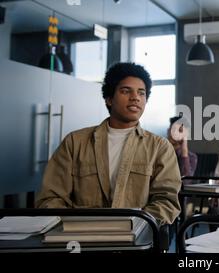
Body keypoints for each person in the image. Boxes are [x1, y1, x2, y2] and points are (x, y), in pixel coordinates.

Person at [35, 62, 181, 225]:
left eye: (141, 93)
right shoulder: (75, 142)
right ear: (109, 99)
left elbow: (167, 201)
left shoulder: (159, 147)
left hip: (136, 241)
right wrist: (74, 226)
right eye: (126, 91)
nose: (135, 97)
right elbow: (50, 197)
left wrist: (130, 228)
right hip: (79, 239)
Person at [167, 114, 198, 179]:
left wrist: (184, 151)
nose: (174, 133)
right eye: (173, 129)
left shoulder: (192, 157)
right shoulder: (158, 151)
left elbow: (186, 181)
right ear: (168, 130)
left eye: (180, 130)